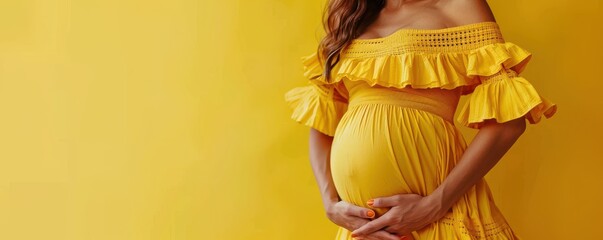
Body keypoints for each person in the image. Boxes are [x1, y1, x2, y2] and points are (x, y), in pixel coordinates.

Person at [284, 0, 557, 239]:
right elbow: (321, 120)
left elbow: (508, 123)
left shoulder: (461, 6)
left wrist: (434, 205)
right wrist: (330, 203)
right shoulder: (348, 16)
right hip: (363, 229)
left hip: (437, 218)